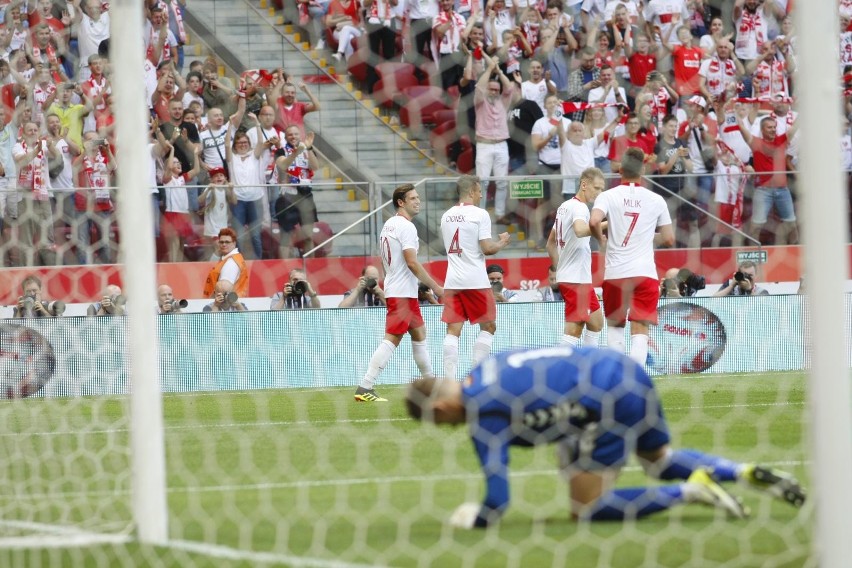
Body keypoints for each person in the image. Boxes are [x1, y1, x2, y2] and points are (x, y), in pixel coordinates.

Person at [405, 345, 806, 528]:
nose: (450, 429)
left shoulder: (483, 414)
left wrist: (471, 520)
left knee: (587, 510)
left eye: (441, 424)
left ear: (439, 410)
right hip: (624, 369)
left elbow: (498, 502)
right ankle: (741, 471)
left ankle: (692, 491)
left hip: (606, 398)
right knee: (659, 460)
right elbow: (550, 402)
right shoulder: (488, 365)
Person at [355, 184, 445, 402]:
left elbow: (387, 259)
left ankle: (430, 384)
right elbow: (412, 263)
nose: (418, 201)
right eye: (412, 198)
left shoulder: (389, 225)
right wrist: (436, 287)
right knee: (392, 339)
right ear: (400, 202)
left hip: (402, 290)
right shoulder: (407, 227)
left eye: (418, 197)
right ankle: (365, 387)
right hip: (402, 292)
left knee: (419, 334)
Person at [589, 147, 675, 365]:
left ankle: (614, 379)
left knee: (616, 326)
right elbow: (669, 239)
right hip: (645, 273)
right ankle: (635, 381)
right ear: (643, 169)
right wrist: (645, 235)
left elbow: (593, 221)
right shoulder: (656, 200)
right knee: (640, 329)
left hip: (616, 272)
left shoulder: (607, 196)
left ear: (620, 170)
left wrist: (601, 240)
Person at [440, 175, 511, 381]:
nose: (481, 195)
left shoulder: (446, 216)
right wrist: (503, 242)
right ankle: (477, 378)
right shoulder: (480, 214)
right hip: (476, 281)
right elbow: (488, 249)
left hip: (452, 281)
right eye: (479, 191)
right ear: (471, 191)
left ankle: (449, 381)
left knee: (453, 331)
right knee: (489, 326)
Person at [547, 167, 606, 348]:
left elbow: (550, 243)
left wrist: (559, 268)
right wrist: (606, 224)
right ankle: (560, 370)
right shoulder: (580, 208)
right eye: (596, 188)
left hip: (575, 276)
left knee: (596, 322)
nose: (599, 193)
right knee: (575, 328)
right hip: (575, 279)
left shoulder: (564, 206)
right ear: (584, 184)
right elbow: (580, 230)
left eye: (602, 189)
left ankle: (589, 367)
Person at [736, 114, 798, 244]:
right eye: (769, 127)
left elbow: (795, 127)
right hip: (763, 190)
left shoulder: (781, 140)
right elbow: (741, 127)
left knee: (791, 224)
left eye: (774, 127)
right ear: (762, 130)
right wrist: (733, 109)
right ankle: (753, 254)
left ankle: (795, 251)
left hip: (783, 190)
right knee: (756, 225)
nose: (773, 129)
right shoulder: (756, 142)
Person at [474, 54, 517, 225]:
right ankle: (480, 216)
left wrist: (498, 70)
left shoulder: (503, 102)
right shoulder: (480, 101)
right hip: (484, 145)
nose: (494, 92)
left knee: (502, 183)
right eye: (491, 89)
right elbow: (478, 87)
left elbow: (510, 87)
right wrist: (490, 68)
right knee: (482, 183)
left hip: (501, 145)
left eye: (496, 90)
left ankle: (499, 214)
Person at [203, 227, 249, 299]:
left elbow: (223, 289)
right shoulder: (233, 257)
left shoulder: (231, 262)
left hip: (222, 305)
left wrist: (211, 302)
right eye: (221, 242)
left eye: (227, 242)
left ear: (234, 243)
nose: (224, 244)